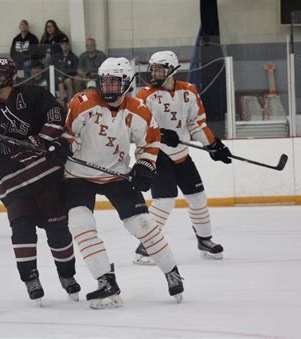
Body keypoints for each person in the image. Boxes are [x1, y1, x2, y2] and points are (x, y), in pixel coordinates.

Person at [60, 57, 184, 309]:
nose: (107, 88)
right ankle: (106, 280)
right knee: (80, 224)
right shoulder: (81, 103)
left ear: (126, 83)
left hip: (117, 174)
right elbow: (66, 133)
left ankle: (171, 270)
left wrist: (145, 166)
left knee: (142, 224)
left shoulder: (139, 109)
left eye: (114, 83)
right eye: (104, 82)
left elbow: (149, 144)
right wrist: (60, 145)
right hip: (78, 175)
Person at [0, 57, 80, 303]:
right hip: (13, 182)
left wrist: (36, 143)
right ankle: (30, 278)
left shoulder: (33, 94)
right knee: (22, 231)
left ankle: (67, 276)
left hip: (47, 178)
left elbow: (56, 119)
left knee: (58, 231)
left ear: (2, 78)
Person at [134, 51, 231, 263]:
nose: (154, 73)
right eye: (153, 68)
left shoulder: (188, 91)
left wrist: (214, 145)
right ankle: (146, 246)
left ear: (173, 70)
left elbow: (196, 124)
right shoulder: (144, 96)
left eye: (160, 69)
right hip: (157, 154)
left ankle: (205, 240)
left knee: (198, 197)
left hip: (181, 155)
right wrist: (160, 134)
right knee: (164, 201)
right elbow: (138, 128)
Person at [53, 37, 78, 106]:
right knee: (59, 82)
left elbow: (74, 70)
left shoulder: (73, 57)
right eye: (63, 44)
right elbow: (52, 68)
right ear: (60, 45)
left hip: (67, 78)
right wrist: (59, 76)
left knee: (68, 81)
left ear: (69, 45)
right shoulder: (55, 56)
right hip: (57, 78)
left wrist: (63, 74)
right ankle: (62, 99)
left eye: (66, 44)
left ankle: (69, 102)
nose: (64, 46)